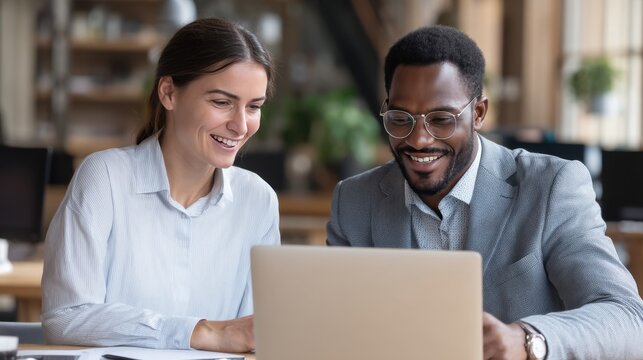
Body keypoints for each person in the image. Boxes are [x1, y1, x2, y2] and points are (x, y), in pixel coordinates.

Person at [327, 25, 643, 359]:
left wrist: (527, 340)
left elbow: (627, 319)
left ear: (478, 113)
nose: (419, 139)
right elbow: (333, 326)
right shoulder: (354, 201)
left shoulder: (551, 187)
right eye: (401, 118)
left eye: (441, 119)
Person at [42, 18, 279, 353]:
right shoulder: (105, 178)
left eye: (254, 106)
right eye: (222, 102)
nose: (240, 125)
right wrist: (201, 332)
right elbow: (66, 318)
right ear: (168, 92)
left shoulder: (258, 200)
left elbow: (255, 332)